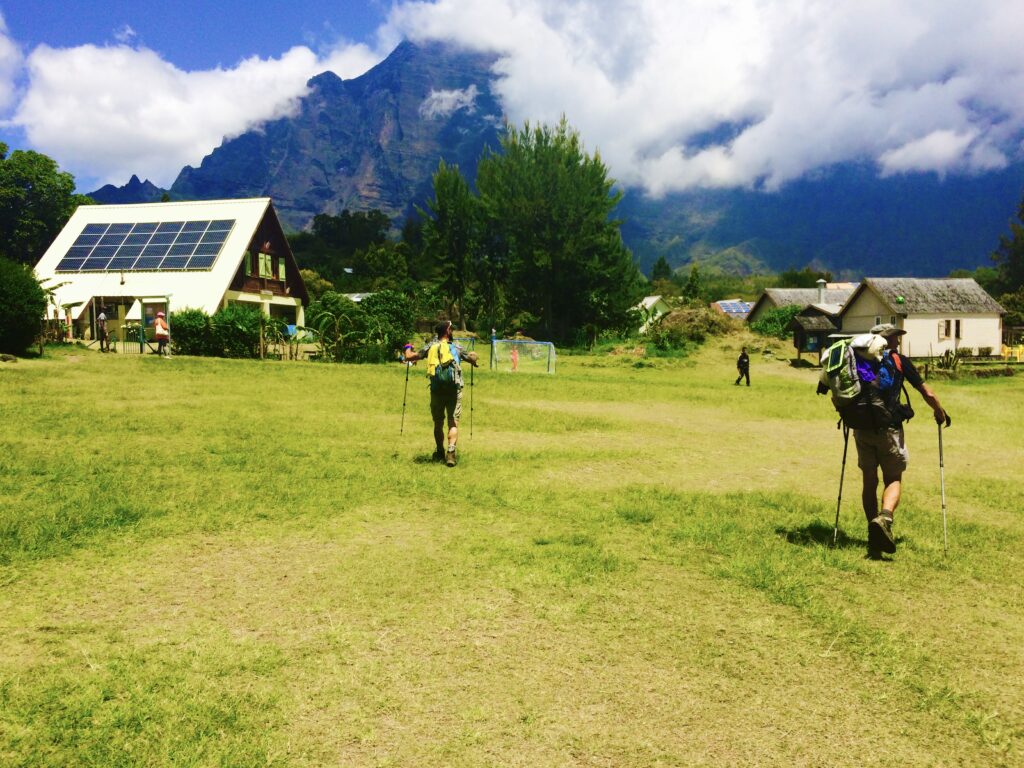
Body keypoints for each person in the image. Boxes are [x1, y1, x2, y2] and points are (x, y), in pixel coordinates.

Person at [855, 323, 947, 557]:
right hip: (889, 429)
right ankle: (884, 519)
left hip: (862, 428)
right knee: (893, 478)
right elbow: (927, 392)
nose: (898, 340)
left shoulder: (859, 359)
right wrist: (939, 410)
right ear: (889, 339)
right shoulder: (898, 360)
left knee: (869, 480)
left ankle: (872, 531)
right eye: (896, 336)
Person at [403, 320, 479, 466]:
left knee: (438, 423)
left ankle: (439, 451)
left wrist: (407, 347)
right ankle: (450, 454)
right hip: (453, 390)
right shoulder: (456, 347)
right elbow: (472, 359)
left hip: (436, 390)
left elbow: (410, 357)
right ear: (448, 331)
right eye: (451, 329)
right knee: (453, 423)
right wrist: (474, 357)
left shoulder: (431, 346)